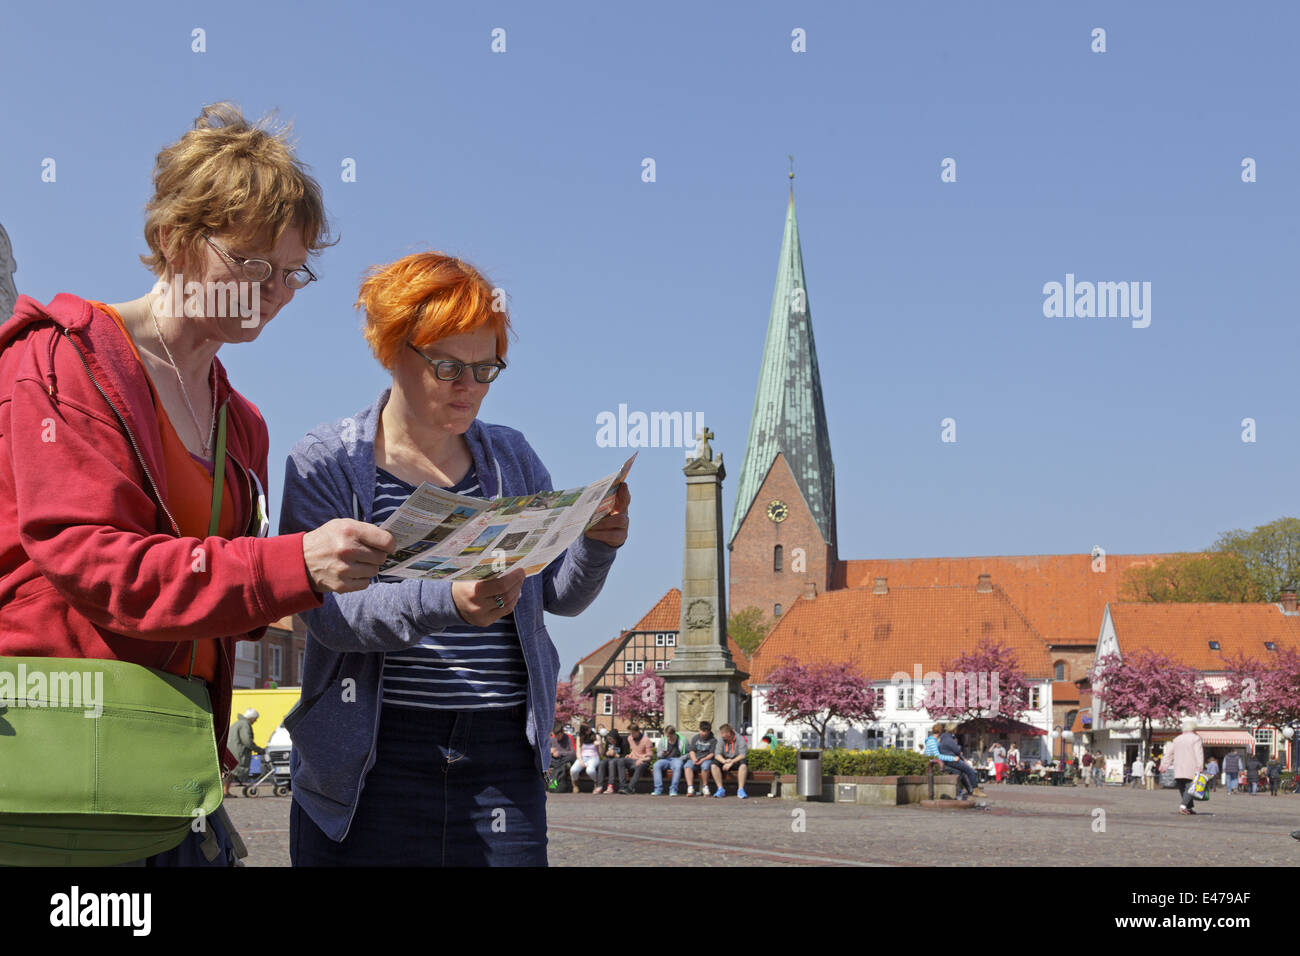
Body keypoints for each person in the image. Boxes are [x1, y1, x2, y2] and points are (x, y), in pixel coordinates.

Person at [0, 103, 381, 867]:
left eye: (292, 271)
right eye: (251, 264)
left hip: (167, 775)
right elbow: (93, 562)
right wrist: (293, 564)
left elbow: (216, 602)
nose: (274, 290)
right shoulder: (59, 363)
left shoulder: (241, 423)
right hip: (51, 768)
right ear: (175, 239)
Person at [280, 251, 629, 866]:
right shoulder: (327, 461)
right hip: (371, 755)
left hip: (500, 754)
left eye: (486, 369)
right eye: (447, 367)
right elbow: (330, 613)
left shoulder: (511, 457)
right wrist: (448, 600)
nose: (468, 387)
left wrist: (596, 544)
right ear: (391, 349)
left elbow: (556, 598)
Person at [1159, 719, 1205, 815]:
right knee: (1190, 787)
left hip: (1178, 767)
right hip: (1191, 766)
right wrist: (1200, 765)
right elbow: (1198, 753)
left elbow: (1169, 754)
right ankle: (1183, 807)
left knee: (1182, 787)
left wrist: (1164, 765)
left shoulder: (1177, 739)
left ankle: (1189, 807)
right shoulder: (1196, 738)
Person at [224, 708, 266, 797]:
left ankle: (225, 791)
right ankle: (225, 792)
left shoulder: (238, 723)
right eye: (255, 719)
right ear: (251, 718)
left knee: (229, 772)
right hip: (238, 752)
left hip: (231, 750)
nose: (255, 721)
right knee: (232, 772)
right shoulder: (245, 724)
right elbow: (247, 741)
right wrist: (259, 749)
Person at [924, 723, 969, 798]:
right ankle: (959, 792)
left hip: (937, 762)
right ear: (940, 732)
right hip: (934, 765)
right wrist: (953, 758)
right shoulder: (932, 742)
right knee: (957, 771)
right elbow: (937, 756)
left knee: (957, 770)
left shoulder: (934, 740)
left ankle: (960, 791)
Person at [683, 721, 719, 796]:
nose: (704, 733)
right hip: (695, 759)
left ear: (709, 731)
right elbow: (692, 751)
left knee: (705, 767)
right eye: (702, 731)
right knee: (687, 766)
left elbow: (712, 754)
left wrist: (703, 759)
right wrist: (694, 759)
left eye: (706, 732)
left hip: (706, 759)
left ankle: (705, 786)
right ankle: (690, 787)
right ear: (699, 730)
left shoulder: (713, 740)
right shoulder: (695, 738)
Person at [714, 723, 749, 799]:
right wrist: (724, 761)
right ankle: (720, 789)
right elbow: (717, 754)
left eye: (722, 733)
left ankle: (740, 790)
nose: (721, 735)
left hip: (736, 760)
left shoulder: (740, 739)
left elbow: (743, 755)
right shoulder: (721, 740)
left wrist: (732, 762)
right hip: (725, 760)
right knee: (713, 765)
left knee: (743, 764)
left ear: (728, 733)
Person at [618, 724, 655, 794]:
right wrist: (630, 755)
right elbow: (634, 750)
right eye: (630, 733)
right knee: (621, 761)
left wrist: (641, 759)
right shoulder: (630, 738)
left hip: (644, 761)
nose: (631, 735)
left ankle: (630, 788)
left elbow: (650, 757)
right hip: (633, 760)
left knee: (640, 766)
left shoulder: (646, 740)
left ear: (638, 731)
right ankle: (623, 786)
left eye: (633, 733)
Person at [652, 725, 685, 796]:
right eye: (667, 736)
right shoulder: (663, 740)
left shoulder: (683, 740)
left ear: (674, 734)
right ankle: (658, 789)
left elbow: (688, 753)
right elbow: (658, 754)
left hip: (677, 759)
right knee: (656, 765)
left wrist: (681, 758)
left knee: (678, 766)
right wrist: (663, 754)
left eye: (670, 736)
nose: (669, 738)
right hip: (665, 759)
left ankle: (673, 789)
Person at [570, 725, 602, 793]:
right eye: (587, 729)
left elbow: (601, 753)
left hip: (594, 757)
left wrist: (599, 745)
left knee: (590, 770)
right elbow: (578, 751)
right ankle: (575, 785)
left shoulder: (596, 736)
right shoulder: (580, 737)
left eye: (589, 728)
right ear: (583, 730)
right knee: (573, 770)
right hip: (583, 757)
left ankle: (596, 783)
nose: (589, 730)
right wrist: (580, 760)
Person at [547, 724, 576, 792]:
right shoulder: (552, 739)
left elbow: (573, 753)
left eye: (558, 736)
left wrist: (559, 753)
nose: (557, 737)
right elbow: (545, 752)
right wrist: (550, 751)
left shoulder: (568, 738)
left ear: (562, 733)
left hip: (565, 759)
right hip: (556, 761)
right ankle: (557, 786)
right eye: (555, 735)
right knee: (556, 764)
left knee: (563, 762)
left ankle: (553, 786)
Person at [597, 728, 627, 794]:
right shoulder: (608, 741)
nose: (611, 742)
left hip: (618, 759)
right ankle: (599, 785)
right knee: (602, 762)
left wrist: (616, 755)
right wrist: (607, 753)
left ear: (616, 738)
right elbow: (605, 753)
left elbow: (626, 755)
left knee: (611, 762)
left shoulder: (623, 741)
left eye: (612, 741)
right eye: (609, 740)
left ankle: (610, 785)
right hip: (609, 758)